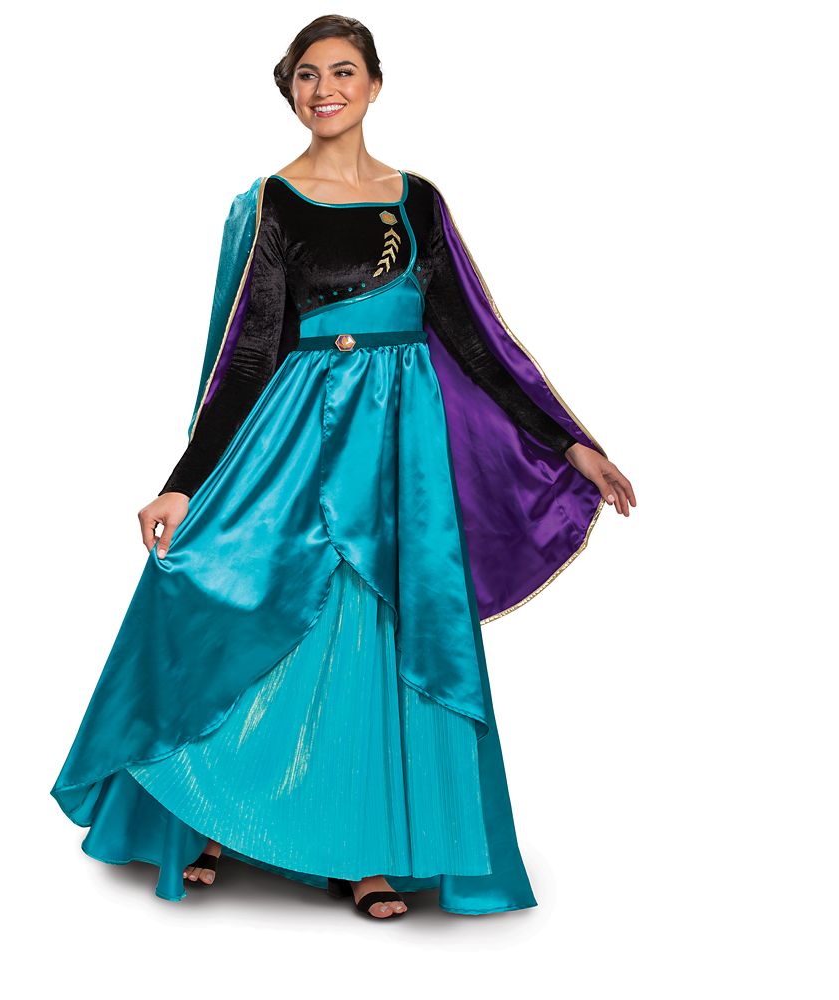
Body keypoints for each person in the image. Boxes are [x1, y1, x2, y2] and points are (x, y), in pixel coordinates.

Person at [50, 15, 636, 921]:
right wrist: (184, 480)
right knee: (255, 603)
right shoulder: (272, 203)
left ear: (374, 83)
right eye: (308, 75)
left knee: (380, 631)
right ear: (291, 91)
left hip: (400, 447)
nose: (325, 88)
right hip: (298, 434)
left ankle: (368, 851)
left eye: (343, 71)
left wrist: (568, 441)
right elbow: (250, 353)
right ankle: (216, 815)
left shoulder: (418, 201)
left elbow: (470, 336)